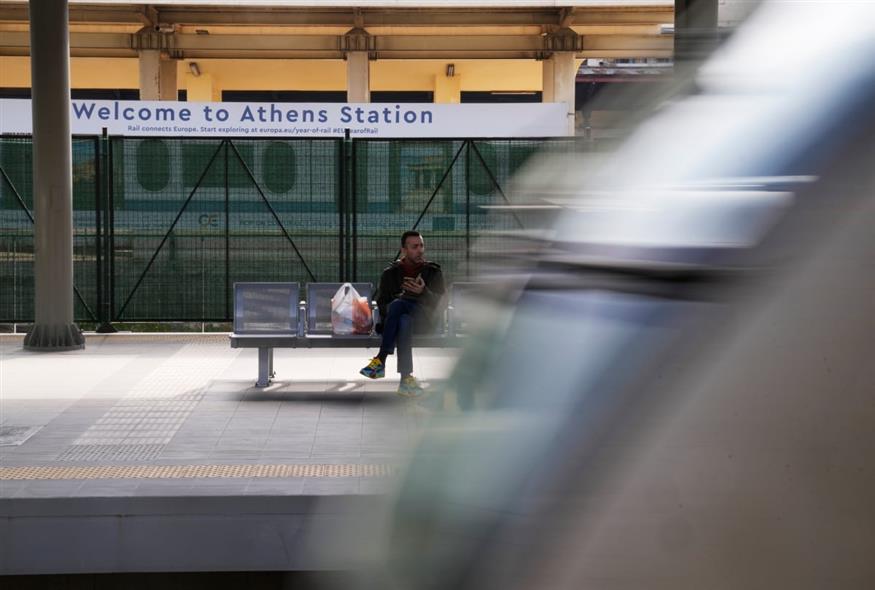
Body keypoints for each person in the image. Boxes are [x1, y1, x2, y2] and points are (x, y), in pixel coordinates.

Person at [359, 231, 446, 397]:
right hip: (399, 324)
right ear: (404, 250)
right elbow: (382, 304)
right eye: (415, 247)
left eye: (421, 245)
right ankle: (406, 381)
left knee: (399, 307)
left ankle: (381, 360)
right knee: (403, 319)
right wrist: (400, 299)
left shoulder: (433, 272)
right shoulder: (390, 273)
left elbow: (442, 303)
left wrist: (423, 292)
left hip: (424, 321)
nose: (420, 250)